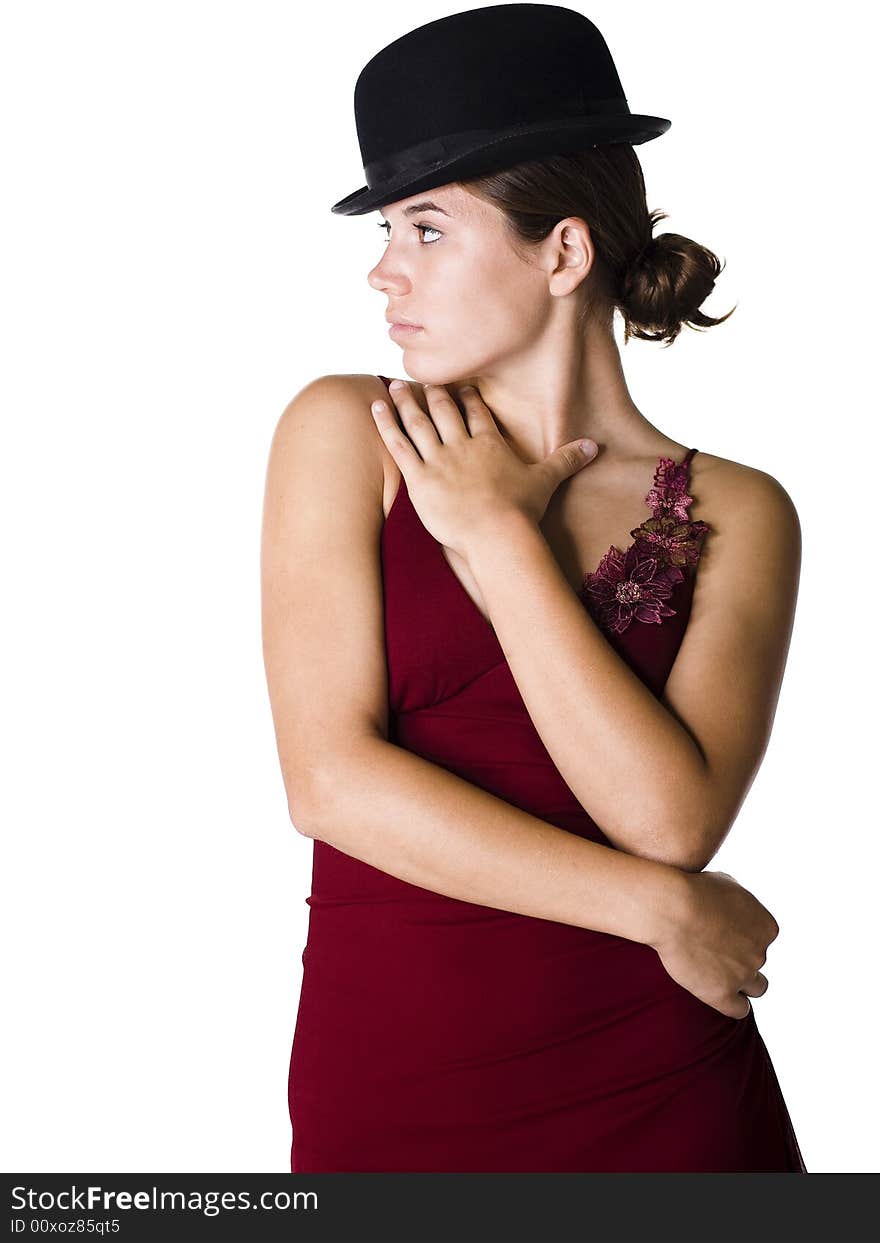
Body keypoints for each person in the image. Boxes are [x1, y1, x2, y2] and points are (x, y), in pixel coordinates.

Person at [261, 4, 807, 1172]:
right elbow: (330, 784)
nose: (380, 269)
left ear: (560, 252)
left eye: (425, 229)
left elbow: (668, 819)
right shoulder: (346, 432)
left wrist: (497, 539)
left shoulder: (738, 510)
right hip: (396, 1076)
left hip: (663, 1089)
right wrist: (662, 912)